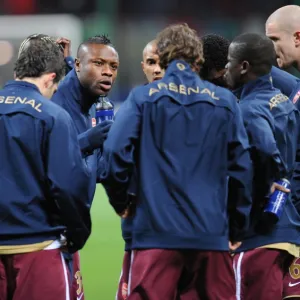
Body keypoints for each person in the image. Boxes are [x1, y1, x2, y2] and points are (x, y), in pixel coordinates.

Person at [100, 23, 253, 300]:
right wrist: (236, 225)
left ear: (164, 57)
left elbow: (113, 153)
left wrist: (122, 201)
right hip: (210, 236)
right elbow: (242, 169)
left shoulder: (142, 98)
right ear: (198, 59)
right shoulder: (225, 102)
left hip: (155, 236)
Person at [0, 35, 91, 300]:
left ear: (18, 72)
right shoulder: (53, 116)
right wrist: (78, 233)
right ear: (50, 78)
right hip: (39, 249)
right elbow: (66, 187)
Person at [224, 32, 300, 299]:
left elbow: (266, 150)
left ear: (243, 67)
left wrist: (271, 181)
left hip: (259, 235)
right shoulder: (284, 103)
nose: (225, 69)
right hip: (287, 229)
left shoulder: (248, 109)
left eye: (229, 62)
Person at [52, 34, 118, 300]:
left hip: (69, 233)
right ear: (79, 65)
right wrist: (85, 142)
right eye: (99, 63)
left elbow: (97, 171)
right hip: (52, 237)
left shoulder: (89, 101)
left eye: (113, 67)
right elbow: (45, 159)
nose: (107, 72)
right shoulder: (57, 107)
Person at [116, 39, 165, 300]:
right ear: (142, 66)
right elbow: (114, 159)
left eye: (162, 62)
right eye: (151, 62)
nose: (157, 69)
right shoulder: (134, 107)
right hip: (141, 230)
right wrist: (122, 199)